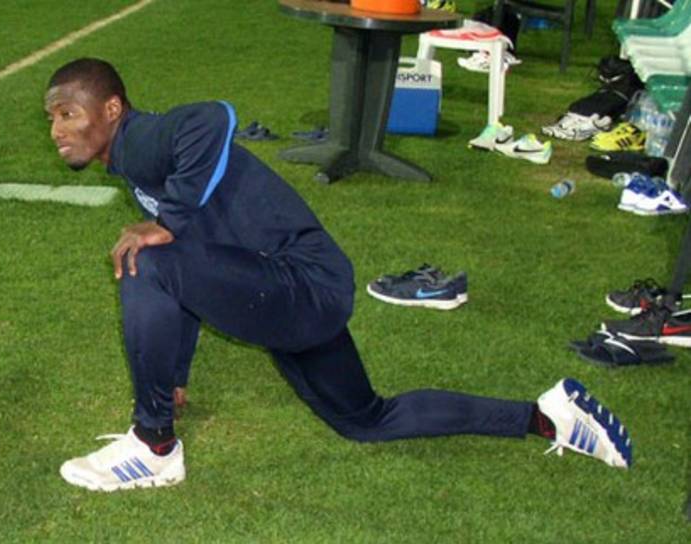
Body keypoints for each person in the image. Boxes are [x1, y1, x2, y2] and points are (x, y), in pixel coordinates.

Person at [44, 58, 632, 491]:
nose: (57, 130)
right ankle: (545, 416)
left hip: (293, 283)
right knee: (367, 420)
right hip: (303, 289)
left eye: (69, 113)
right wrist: (174, 372)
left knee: (142, 256)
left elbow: (212, 118)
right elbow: (192, 258)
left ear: (112, 110)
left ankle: (153, 445)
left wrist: (164, 221)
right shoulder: (134, 164)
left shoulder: (141, 139)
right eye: (52, 118)